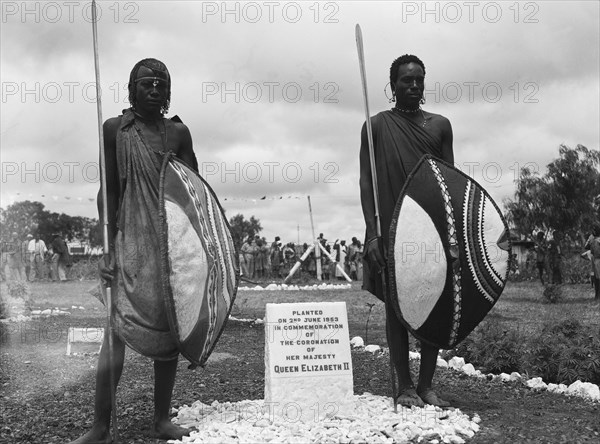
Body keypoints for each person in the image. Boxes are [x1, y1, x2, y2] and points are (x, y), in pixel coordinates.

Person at [70, 58, 198, 443]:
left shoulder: (178, 133)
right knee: (115, 332)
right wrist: (106, 248)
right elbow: (107, 191)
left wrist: (198, 248)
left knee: (171, 331)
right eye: (147, 83)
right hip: (130, 244)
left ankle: (161, 419)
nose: (155, 89)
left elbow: (194, 193)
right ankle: (100, 427)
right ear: (132, 89)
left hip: (170, 246)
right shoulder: (116, 129)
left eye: (162, 83)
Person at [360, 54, 454, 408]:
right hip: (391, 231)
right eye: (406, 80)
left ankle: (428, 384)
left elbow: (450, 182)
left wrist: (452, 234)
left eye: (419, 80)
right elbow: (366, 182)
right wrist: (372, 233)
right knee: (397, 309)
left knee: (435, 304)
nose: (413, 85)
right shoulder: (376, 127)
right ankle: (404, 386)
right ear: (393, 85)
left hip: (431, 229)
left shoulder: (440, 126)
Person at [585, 225, 600, 300]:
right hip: (595, 259)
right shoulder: (592, 239)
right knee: (596, 277)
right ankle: (597, 294)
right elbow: (586, 247)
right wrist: (590, 239)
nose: (593, 232)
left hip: (598, 259)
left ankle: (597, 294)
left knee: (598, 277)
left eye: (595, 230)